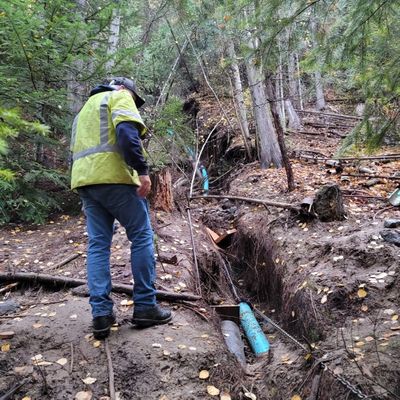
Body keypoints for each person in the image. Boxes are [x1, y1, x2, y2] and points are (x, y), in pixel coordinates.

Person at [70, 77, 172, 339]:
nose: (134, 104)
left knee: (98, 244)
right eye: (135, 100)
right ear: (125, 89)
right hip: (116, 179)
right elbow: (127, 135)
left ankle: (101, 315)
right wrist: (142, 171)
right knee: (141, 236)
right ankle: (146, 307)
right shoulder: (119, 96)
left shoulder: (84, 110)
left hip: (86, 182)